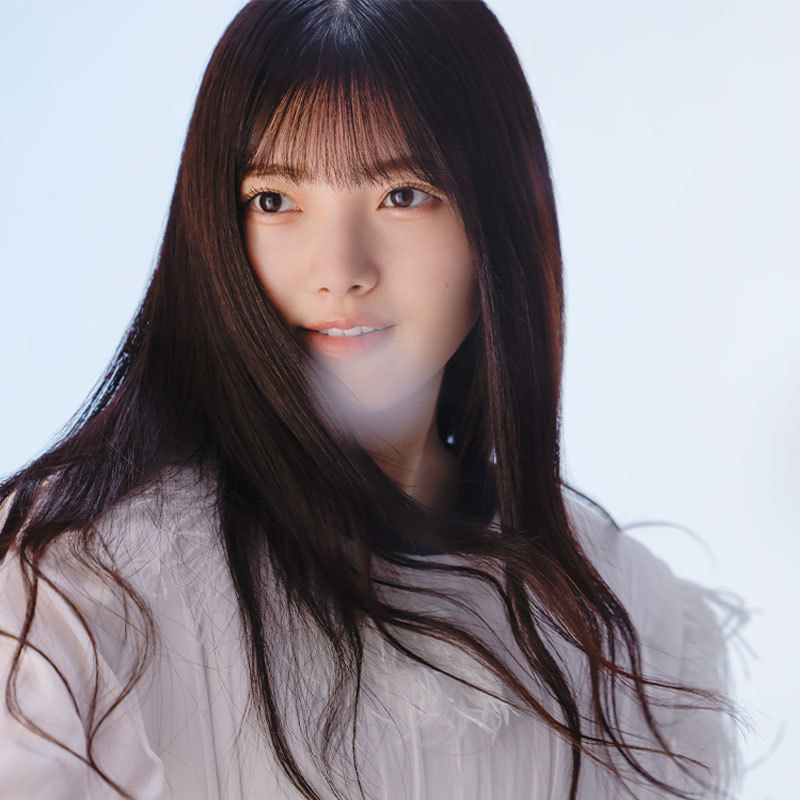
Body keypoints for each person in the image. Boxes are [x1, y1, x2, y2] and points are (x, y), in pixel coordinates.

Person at [0, 1, 748, 798]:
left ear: (495, 220)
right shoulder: (75, 594)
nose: (340, 271)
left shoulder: (630, 630)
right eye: (275, 200)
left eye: (403, 193)